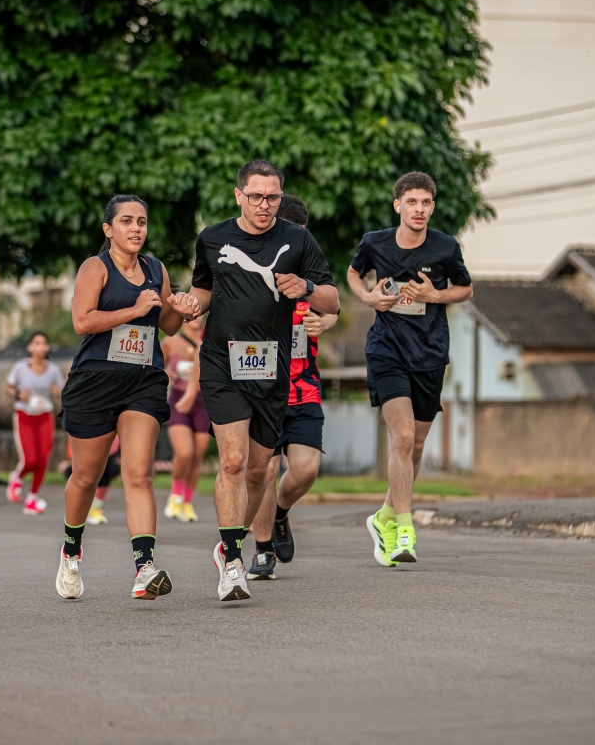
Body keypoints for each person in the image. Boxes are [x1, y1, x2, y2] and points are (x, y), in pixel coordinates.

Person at [185, 160, 338, 602]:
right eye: (256, 196)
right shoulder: (212, 238)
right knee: (233, 461)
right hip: (222, 363)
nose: (264, 205)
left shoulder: (298, 239)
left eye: (272, 197)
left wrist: (305, 288)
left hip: (272, 370)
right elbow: (203, 291)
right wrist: (188, 305)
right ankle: (233, 562)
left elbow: (332, 301)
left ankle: (229, 545)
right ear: (239, 196)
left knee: (257, 470)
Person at [56, 195, 199, 602]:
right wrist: (134, 310)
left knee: (138, 474)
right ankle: (70, 551)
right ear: (109, 229)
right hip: (95, 382)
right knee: (86, 477)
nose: (136, 228)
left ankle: (144, 568)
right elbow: (82, 321)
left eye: (141, 221)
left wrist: (183, 309)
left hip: (143, 380)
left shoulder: (156, 269)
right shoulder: (95, 267)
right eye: (126, 221)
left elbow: (167, 326)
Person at [347, 171, 472, 566]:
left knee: (415, 446)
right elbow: (353, 273)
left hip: (430, 354)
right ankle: (404, 529)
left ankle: (384, 515)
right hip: (387, 351)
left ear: (432, 207)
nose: (419, 209)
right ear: (397, 204)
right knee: (402, 438)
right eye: (412, 202)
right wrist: (368, 297)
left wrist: (436, 294)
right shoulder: (375, 242)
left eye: (426, 202)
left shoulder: (445, 247)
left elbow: (465, 288)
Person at [247, 195, 338, 579]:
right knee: (265, 470)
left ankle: (281, 513)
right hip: (261, 389)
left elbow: (332, 309)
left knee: (305, 469)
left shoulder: (310, 272)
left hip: (304, 389)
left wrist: (324, 323)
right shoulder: (253, 268)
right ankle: (262, 549)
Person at [6, 331, 63, 515]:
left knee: (43, 459)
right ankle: (17, 477)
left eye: (43, 343)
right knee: (31, 459)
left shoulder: (53, 370)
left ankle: (32, 498)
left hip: (44, 415)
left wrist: (58, 391)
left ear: (47, 347)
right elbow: (9, 387)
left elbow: (62, 390)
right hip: (25, 414)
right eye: (36, 343)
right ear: (30, 347)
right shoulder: (20, 368)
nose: (40, 347)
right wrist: (18, 394)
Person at [161, 316, 209, 522]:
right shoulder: (171, 342)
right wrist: (166, 373)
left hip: (203, 402)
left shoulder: (207, 342)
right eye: (191, 315)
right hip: (178, 400)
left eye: (199, 314)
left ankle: (187, 503)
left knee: (197, 456)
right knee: (184, 452)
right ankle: (176, 494)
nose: (195, 318)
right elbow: (156, 366)